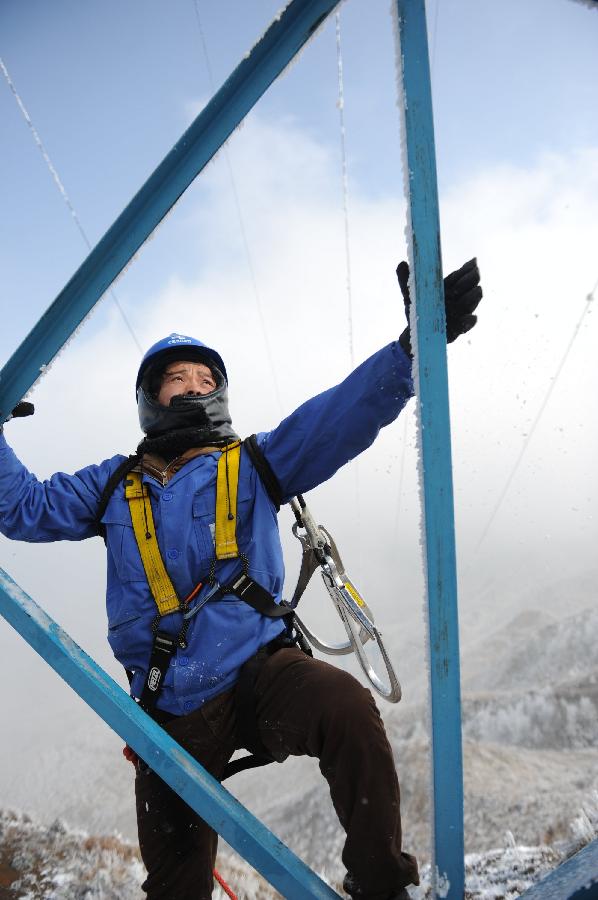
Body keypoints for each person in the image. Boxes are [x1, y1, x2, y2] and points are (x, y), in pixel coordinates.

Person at [0, 258, 482, 900]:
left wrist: (409, 351)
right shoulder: (114, 485)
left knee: (346, 709)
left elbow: (340, 416)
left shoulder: (257, 462)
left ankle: (380, 885)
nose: (195, 387)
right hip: (167, 708)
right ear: (151, 399)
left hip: (260, 674)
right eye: (178, 379)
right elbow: (22, 508)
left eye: (206, 378)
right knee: (175, 884)